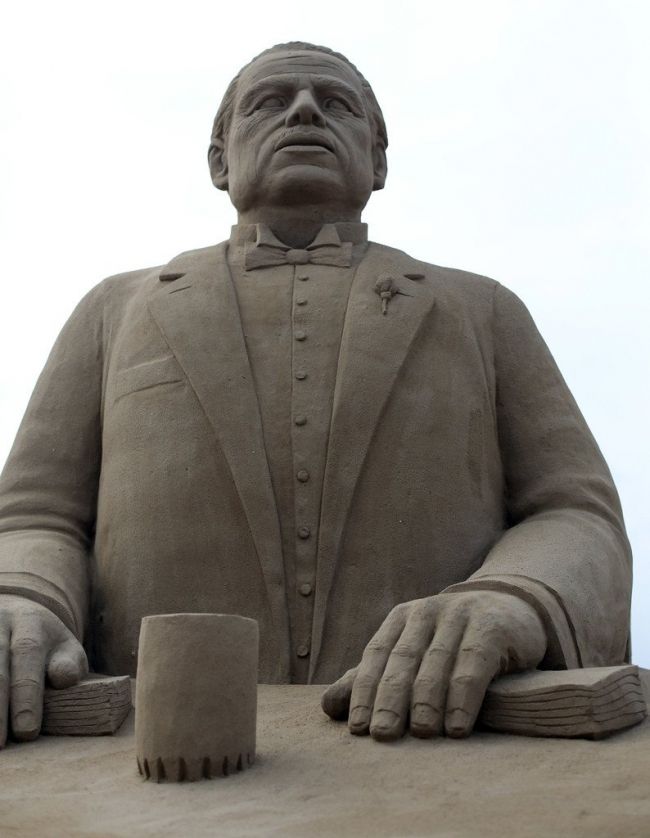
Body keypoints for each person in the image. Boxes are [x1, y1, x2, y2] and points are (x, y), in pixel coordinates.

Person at [0, 42, 631, 747]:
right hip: (150, 747)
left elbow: (576, 511)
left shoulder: (482, 310)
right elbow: (34, 515)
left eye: (336, 104)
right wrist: (22, 597)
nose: (304, 111)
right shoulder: (115, 310)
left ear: (378, 161)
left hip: (434, 740)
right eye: (270, 101)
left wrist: (512, 598)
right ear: (219, 161)